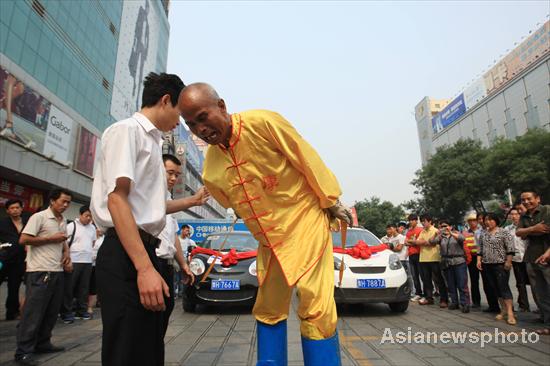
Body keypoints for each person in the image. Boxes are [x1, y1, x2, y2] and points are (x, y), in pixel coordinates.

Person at [178, 83, 352, 366]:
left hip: (304, 221)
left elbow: (304, 156)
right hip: (269, 239)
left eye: (203, 116)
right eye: (192, 124)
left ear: (221, 106)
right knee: (268, 307)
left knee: (315, 304)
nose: (200, 128)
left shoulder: (263, 122)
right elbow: (229, 201)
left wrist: (331, 200)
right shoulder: (211, 167)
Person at [90, 72, 210, 366]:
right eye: (180, 114)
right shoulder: (126, 132)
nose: (179, 123)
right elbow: (117, 199)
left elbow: (151, 209)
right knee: (127, 349)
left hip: (147, 251)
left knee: (148, 346)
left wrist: (192, 201)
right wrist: (143, 268)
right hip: (126, 254)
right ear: (166, 100)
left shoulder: (153, 143)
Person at [15, 189, 72, 366]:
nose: (66, 205)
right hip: (39, 271)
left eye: (68, 202)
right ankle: (23, 351)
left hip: (57, 271)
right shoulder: (39, 217)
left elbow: (62, 240)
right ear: (52, 200)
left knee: (51, 311)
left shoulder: (62, 220)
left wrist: (66, 253)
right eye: (63, 201)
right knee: (33, 313)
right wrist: (50, 238)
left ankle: (43, 343)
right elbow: (23, 239)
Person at [156, 154, 195, 337]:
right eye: (170, 173)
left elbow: (174, 238)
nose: (173, 178)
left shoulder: (169, 198)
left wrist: (184, 265)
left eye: (177, 175)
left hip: (167, 265)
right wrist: (193, 200)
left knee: (166, 309)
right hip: (151, 262)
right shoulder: (148, 195)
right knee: (152, 315)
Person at [516, 190, 550, 336]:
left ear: (537, 198)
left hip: (546, 254)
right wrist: (534, 229)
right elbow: (519, 233)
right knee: (540, 291)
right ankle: (547, 321)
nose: (526, 202)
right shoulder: (524, 216)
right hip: (531, 256)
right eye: (523, 200)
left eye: (529, 199)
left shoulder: (547, 211)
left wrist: (548, 253)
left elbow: (546, 230)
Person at [477, 213, 516, 325]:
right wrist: (479, 260)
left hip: (500, 264)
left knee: (504, 287)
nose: (488, 222)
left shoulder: (503, 232)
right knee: (495, 288)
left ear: (496, 220)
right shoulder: (483, 233)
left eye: (490, 220)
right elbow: (480, 249)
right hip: (487, 264)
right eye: (486, 220)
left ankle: (510, 313)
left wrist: (508, 261)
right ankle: (503, 310)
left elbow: (510, 248)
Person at [59, 206, 96, 323]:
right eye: (87, 216)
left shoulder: (92, 228)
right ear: (80, 215)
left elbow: (93, 242)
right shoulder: (71, 226)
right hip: (74, 261)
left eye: (91, 216)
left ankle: (81, 310)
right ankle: (66, 312)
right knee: (69, 287)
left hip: (87, 262)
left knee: (84, 288)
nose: (89, 218)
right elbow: (64, 242)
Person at [431, 219, 471, 313]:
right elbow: (432, 242)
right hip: (446, 262)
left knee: (462, 284)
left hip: (459, 261)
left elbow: (462, 239)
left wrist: (451, 233)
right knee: (451, 284)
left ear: (450, 226)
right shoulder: (441, 237)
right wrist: (436, 233)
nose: (444, 228)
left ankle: (465, 303)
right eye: (442, 226)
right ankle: (454, 302)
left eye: (446, 226)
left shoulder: (457, 234)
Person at [0, 199, 29, 320]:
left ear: (21, 208)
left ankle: (11, 312)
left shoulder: (27, 222)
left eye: (17, 207)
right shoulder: (2, 223)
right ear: (7, 210)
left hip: (19, 260)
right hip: (4, 258)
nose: (15, 210)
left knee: (14, 286)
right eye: (12, 208)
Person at [412, 214, 448, 307]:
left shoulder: (436, 230)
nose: (423, 223)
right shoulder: (422, 231)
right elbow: (416, 242)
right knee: (426, 280)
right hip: (423, 258)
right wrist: (425, 242)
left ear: (430, 221)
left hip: (434, 258)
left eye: (424, 221)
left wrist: (424, 242)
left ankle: (444, 299)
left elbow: (433, 243)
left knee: (439, 280)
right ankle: (429, 298)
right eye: (422, 221)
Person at [505, 208, 535, 312]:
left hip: (529, 258)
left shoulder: (528, 227)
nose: (514, 216)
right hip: (516, 259)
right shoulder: (507, 229)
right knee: (520, 283)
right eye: (512, 214)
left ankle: (540, 306)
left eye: (516, 214)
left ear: (520, 215)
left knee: (534, 282)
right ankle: (524, 306)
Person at [463, 212, 481, 308]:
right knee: (474, 281)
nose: (472, 222)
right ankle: (476, 301)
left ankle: (493, 302)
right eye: (470, 221)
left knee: (488, 281)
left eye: (474, 220)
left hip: (482, 257)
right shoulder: (465, 233)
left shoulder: (482, 231)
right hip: (472, 258)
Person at [405, 214, 424, 301]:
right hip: (411, 255)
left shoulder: (420, 230)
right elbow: (406, 242)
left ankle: (426, 294)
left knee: (423, 275)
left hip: (419, 254)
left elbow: (418, 242)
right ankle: (418, 293)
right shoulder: (408, 231)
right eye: (409, 220)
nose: (410, 222)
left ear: (416, 221)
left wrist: (412, 242)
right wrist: (412, 242)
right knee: (414, 276)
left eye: (412, 220)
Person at [87, 228, 104, 315]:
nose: (100, 231)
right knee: (85, 285)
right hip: (86, 263)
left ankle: (90, 306)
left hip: (97, 265)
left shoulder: (103, 239)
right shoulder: (89, 237)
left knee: (94, 286)